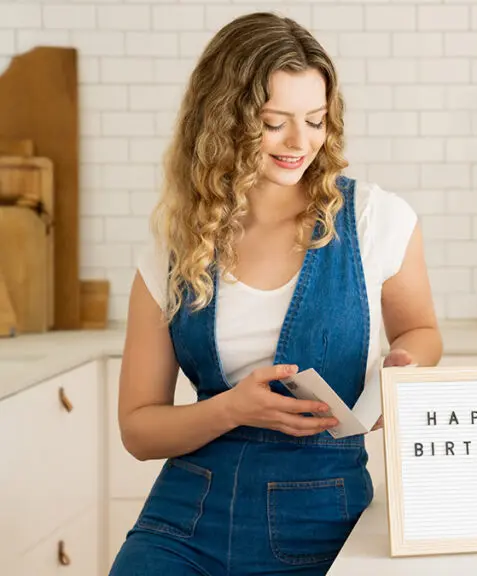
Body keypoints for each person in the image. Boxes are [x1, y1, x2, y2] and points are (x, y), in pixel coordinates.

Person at [109, 12, 442, 575]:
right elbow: (139, 430)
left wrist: (406, 366)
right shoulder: (176, 246)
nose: (301, 142)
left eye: (315, 120)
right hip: (185, 521)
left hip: (325, 521)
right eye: (274, 122)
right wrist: (233, 407)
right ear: (222, 123)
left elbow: (422, 332)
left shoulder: (376, 219)